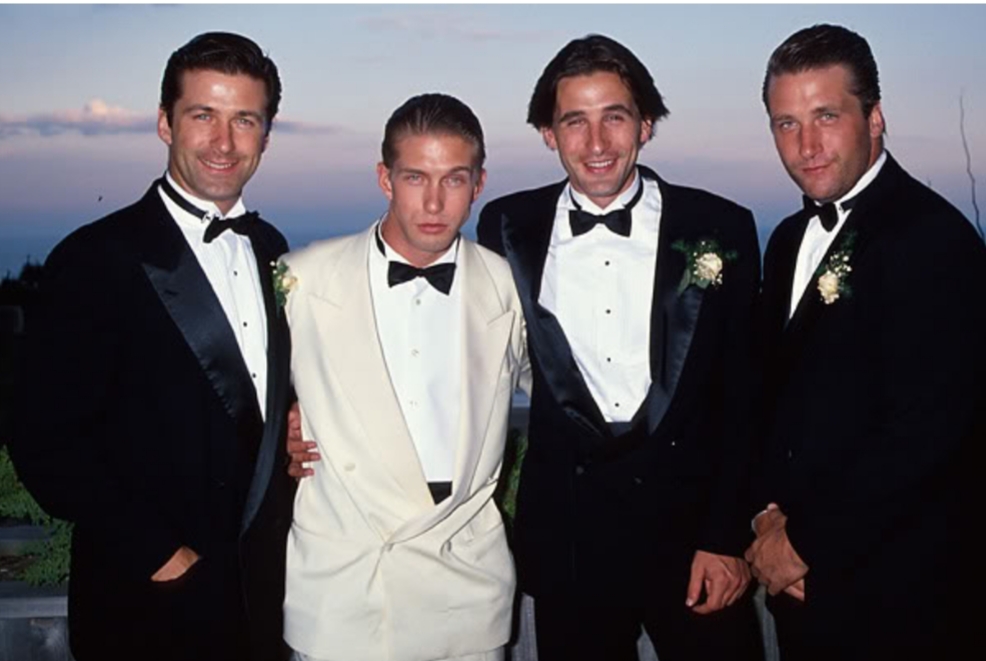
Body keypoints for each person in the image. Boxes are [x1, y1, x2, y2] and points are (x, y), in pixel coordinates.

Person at [476, 34, 763, 661]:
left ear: (646, 125)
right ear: (548, 134)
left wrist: (725, 537)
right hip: (572, 546)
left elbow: (745, 395)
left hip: (694, 544)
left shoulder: (721, 225)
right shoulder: (506, 226)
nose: (596, 143)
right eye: (574, 121)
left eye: (615, 117)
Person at [9, 32, 294, 661]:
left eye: (245, 120)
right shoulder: (95, 258)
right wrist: (161, 555)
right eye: (203, 115)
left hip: (261, 601)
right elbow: (43, 439)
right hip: (148, 604)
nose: (224, 142)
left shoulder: (272, 248)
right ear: (165, 123)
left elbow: (251, 406)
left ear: (266, 136)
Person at [746, 23, 985, 661]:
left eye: (826, 116)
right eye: (786, 123)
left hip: (903, 599)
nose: (806, 145)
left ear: (874, 118)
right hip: (805, 597)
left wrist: (804, 544)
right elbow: (773, 396)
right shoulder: (786, 241)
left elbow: (927, 434)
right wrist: (765, 516)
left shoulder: (935, 240)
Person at [279, 93, 530, 661]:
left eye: (454, 179)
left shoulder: (509, 287)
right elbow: (240, 398)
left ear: (479, 183)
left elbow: (573, 399)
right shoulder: (303, 279)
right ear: (384, 179)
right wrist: (278, 439)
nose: (434, 202)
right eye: (415, 177)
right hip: (345, 592)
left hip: (467, 593)